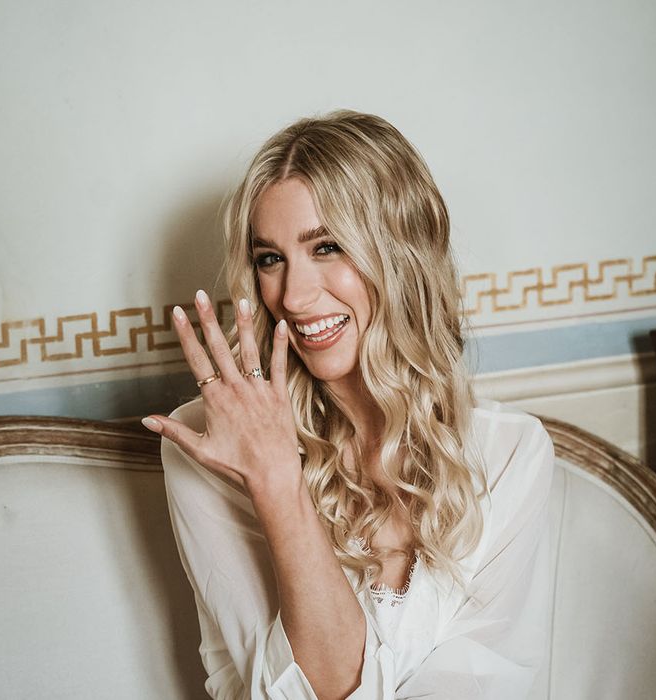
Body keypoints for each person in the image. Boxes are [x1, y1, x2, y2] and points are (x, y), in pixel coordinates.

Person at [141, 110, 554, 700]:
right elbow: (312, 689)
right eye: (270, 258)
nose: (296, 295)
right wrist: (277, 480)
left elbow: (486, 686)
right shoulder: (204, 444)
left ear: (402, 255)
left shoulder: (511, 452)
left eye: (327, 246)